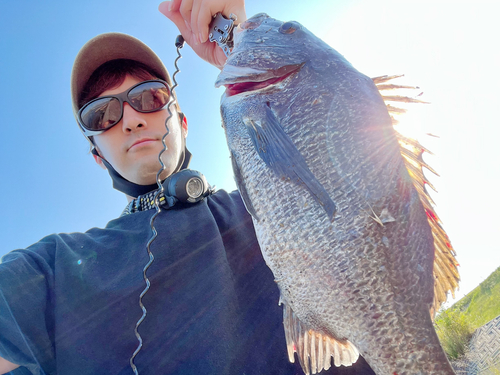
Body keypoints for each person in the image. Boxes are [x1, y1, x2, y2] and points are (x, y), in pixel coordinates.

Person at [0, 1, 376, 374]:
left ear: (181, 121)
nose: (130, 119)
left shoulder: (275, 207)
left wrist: (241, 44)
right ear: (98, 156)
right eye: (102, 115)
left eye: (149, 97)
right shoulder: (52, 269)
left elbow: (358, 168)